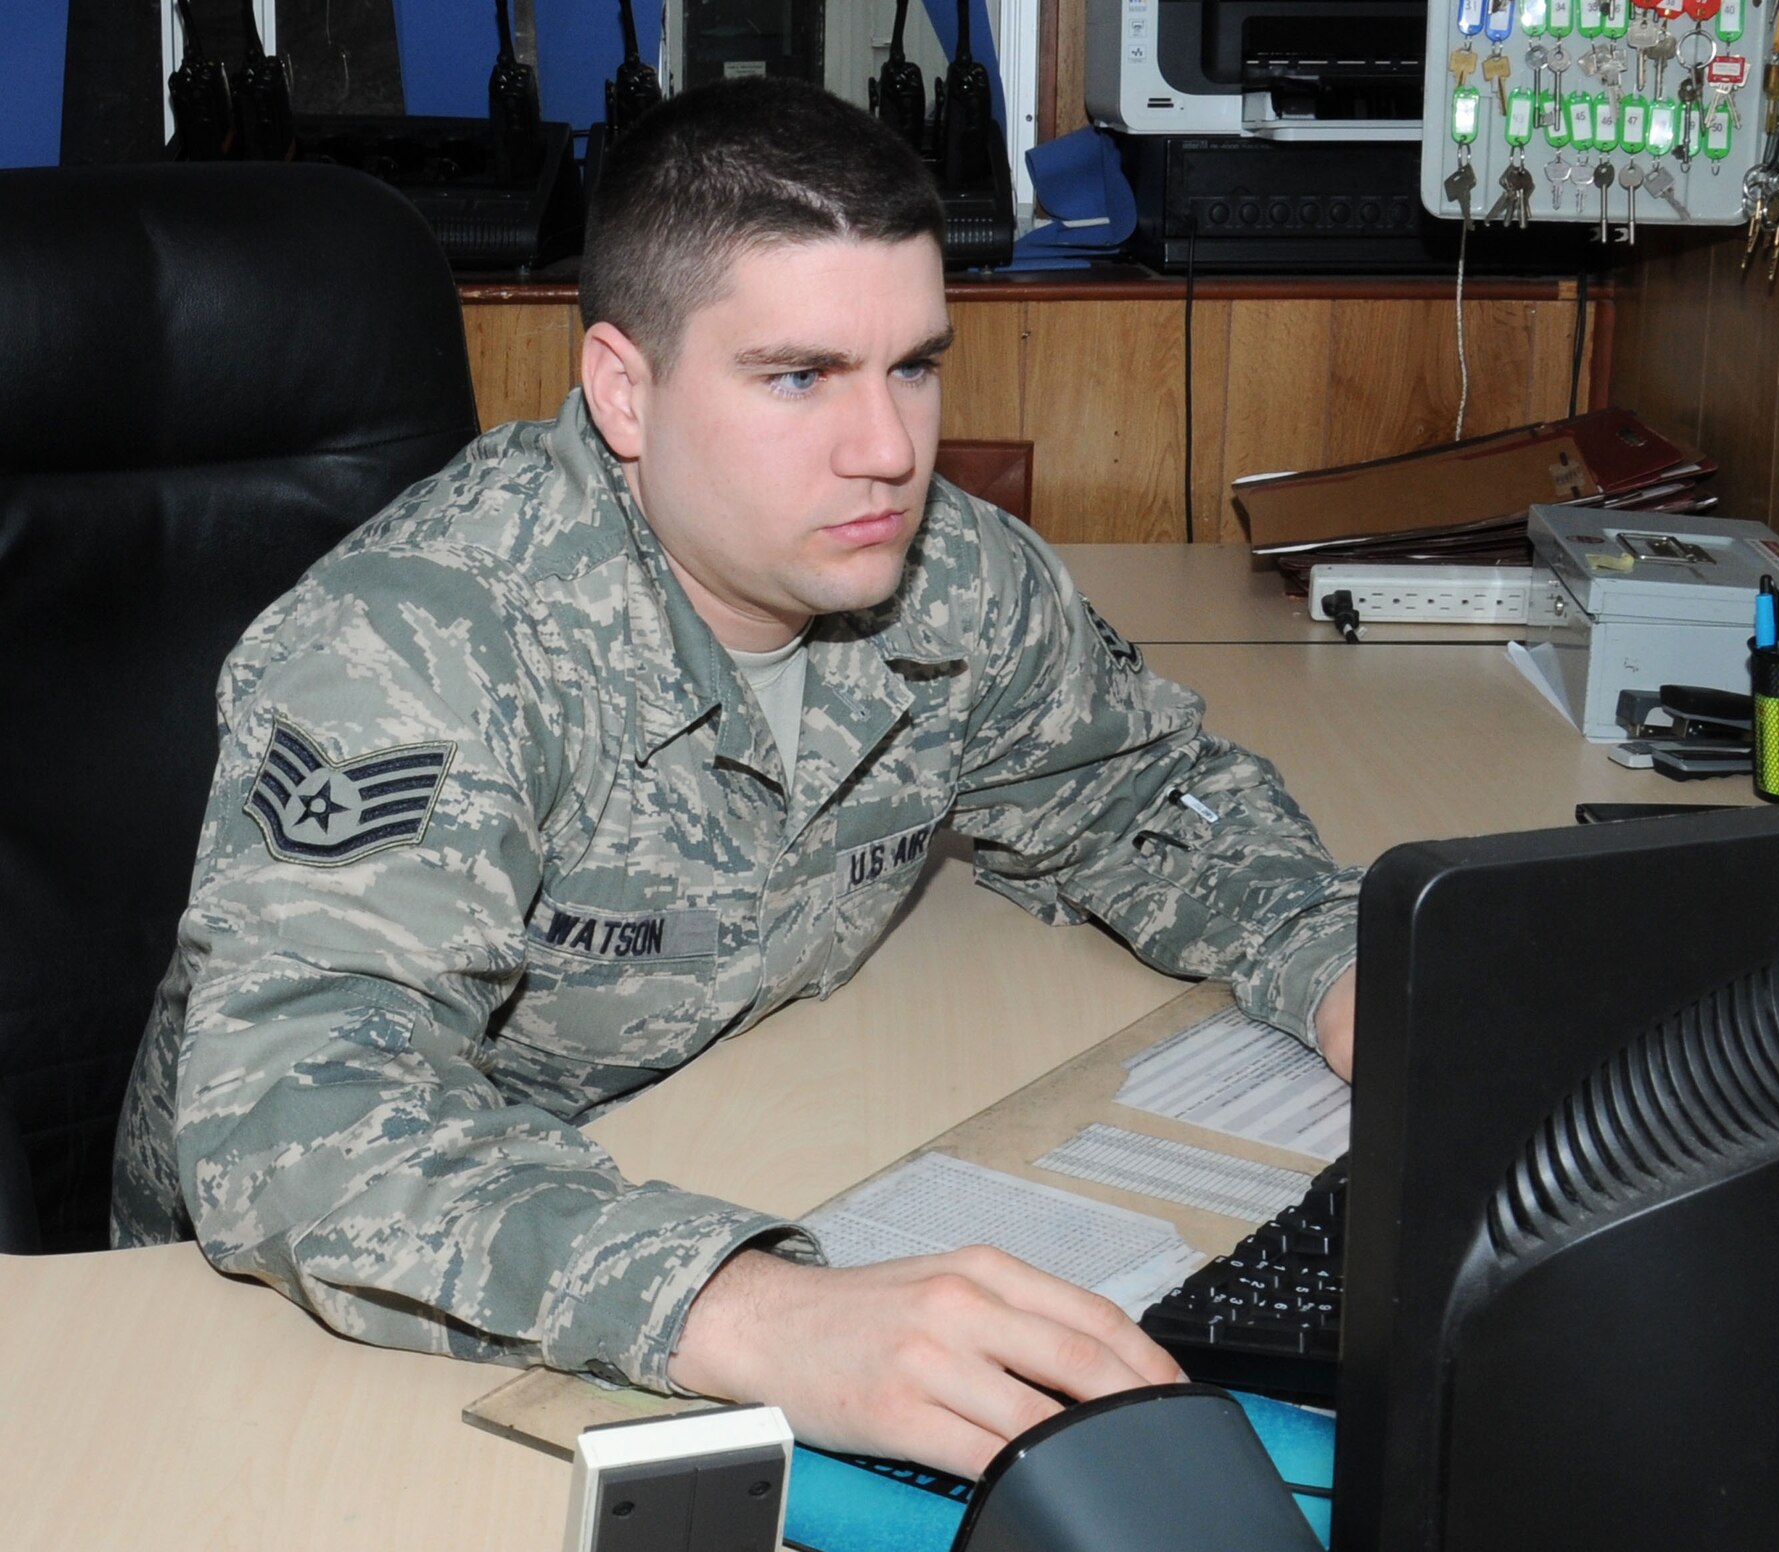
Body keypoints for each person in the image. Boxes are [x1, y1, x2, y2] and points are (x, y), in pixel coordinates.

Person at [111, 77, 1359, 1478]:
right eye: (798, 376)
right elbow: (296, 1120)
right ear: (624, 392)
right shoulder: (423, 644)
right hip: (292, 1319)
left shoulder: (940, 574)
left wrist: (1345, 970)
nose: (887, 448)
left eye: (914, 366)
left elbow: (1135, 797)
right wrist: (752, 1312)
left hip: (703, 1141)